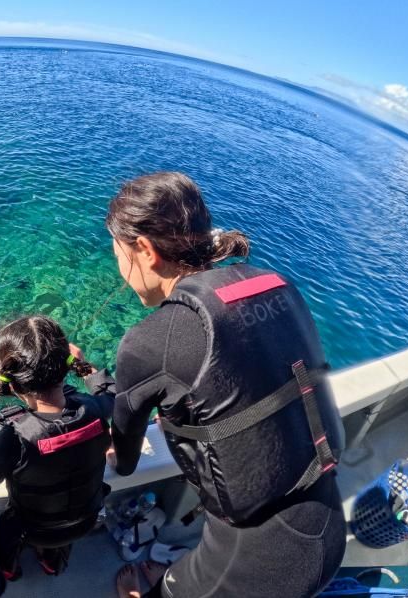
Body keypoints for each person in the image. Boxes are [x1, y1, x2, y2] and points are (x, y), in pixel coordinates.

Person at [82, 172, 346, 598]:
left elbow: (126, 456)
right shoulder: (273, 284)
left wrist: (117, 445)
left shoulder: (152, 340)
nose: (120, 270)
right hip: (327, 521)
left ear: (144, 250)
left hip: (261, 567)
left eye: (118, 254)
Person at [0, 315, 114, 581]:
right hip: (85, 520)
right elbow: (111, 391)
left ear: (11, 384)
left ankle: (9, 569)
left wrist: (1, 439)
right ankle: (52, 564)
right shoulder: (96, 409)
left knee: (7, 532)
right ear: (67, 367)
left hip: (32, 529)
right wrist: (85, 367)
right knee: (61, 532)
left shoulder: (15, 437)